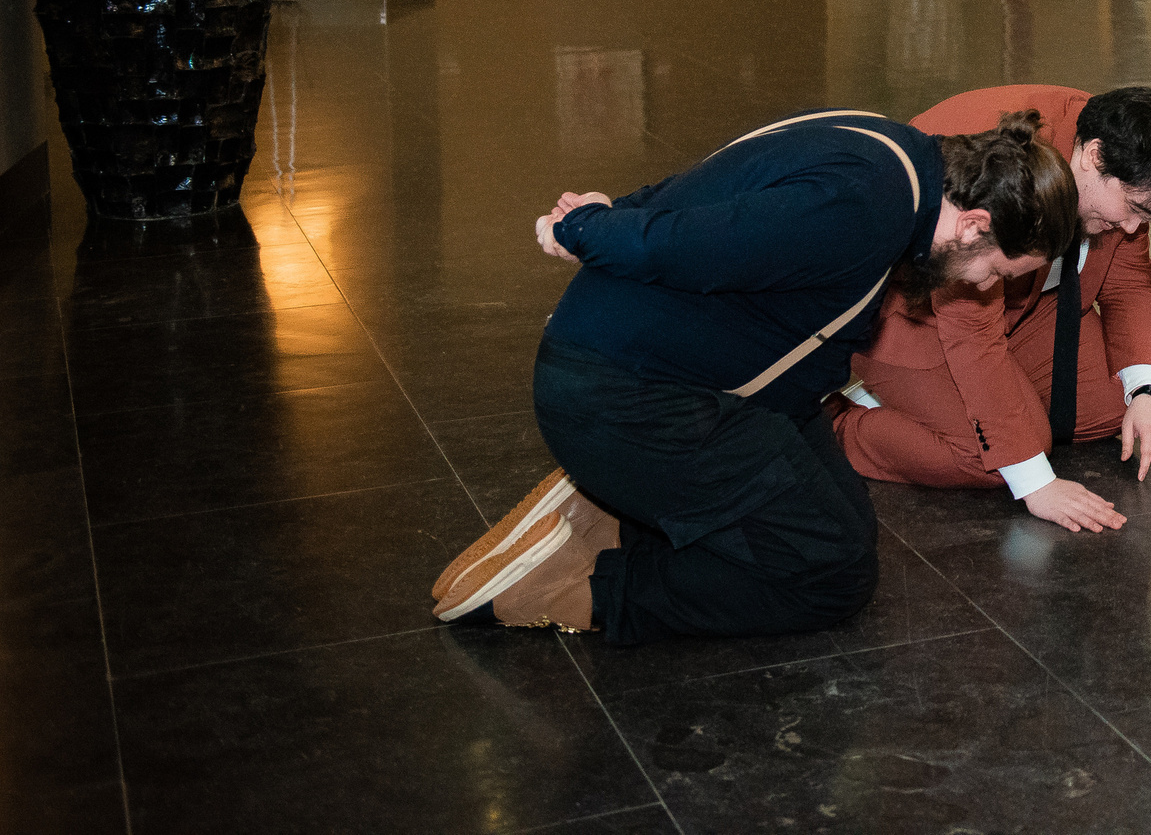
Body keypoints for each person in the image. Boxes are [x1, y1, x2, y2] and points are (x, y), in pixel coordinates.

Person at [428, 108, 1078, 641]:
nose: (982, 284)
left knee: (846, 539)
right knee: (828, 577)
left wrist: (613, 207)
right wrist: (585, 225)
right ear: (975, 223)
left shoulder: (893, 155)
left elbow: (705, 190)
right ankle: (585, 587)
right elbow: (684, 242)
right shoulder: (864, 207)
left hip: (691, 387)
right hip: (624, 396)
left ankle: (615, 514)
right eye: (996, 270)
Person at [833, 84, 1151, 531]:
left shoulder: (1122, 152)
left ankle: (957, 406)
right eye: (1133, 208)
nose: (1130, 227)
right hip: (913, 314)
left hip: (1025, 308)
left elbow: (1127, 283)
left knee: (1120, 409)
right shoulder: (1006, 171)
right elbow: (969, 330)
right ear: (1093, 155)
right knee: (989, 460)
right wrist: (1035, 484)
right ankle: (839, 425)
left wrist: (1146, 393)